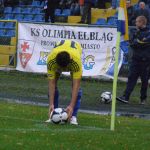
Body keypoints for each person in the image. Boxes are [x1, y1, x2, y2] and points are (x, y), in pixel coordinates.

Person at [47, 40, 82, 125]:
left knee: (75, 86)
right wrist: (51, 104)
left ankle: (73, 116)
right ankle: (53, 113)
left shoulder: (76, 61)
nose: (63, 71)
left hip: (76, 50)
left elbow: (76, 85)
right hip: (58, 54)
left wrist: (71, 106)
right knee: (54, 82)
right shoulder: (51, 60)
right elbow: (51, 83)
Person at [117, 16, 150, 105]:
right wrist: (139, 41)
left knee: (145, 81)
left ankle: (143, 99)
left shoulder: (148, 32)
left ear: (142, 23)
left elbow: (143, 43)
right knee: (131, 78)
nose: (135, 23)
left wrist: (139, 42)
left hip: (146, 61)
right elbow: (132, 43)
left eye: (137, 22)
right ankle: (126, 97)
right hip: (135, 60)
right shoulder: (134, 31)